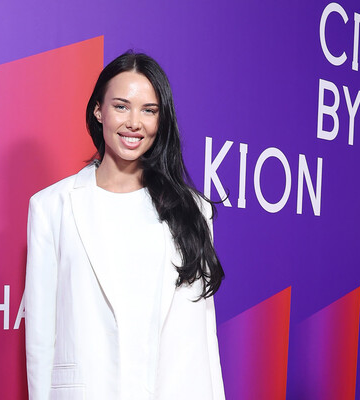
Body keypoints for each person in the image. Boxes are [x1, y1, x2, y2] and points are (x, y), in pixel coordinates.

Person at [25, 51, 226, 400]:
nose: (135, 122)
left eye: (149, 110)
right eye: (121, 106)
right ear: (98, 111)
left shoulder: (192, 210)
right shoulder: (51, 207)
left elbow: (205, 336)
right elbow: (41, 338)